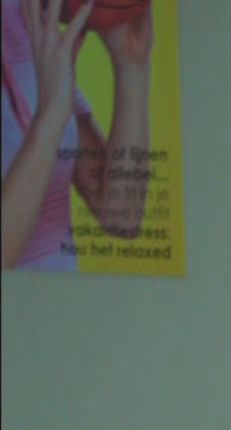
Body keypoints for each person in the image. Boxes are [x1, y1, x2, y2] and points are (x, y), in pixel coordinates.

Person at [1, 0, 154, 270]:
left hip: (62, 296)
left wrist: (131, 67)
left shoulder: (23, 18)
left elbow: (121, 218)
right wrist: (51, 113)